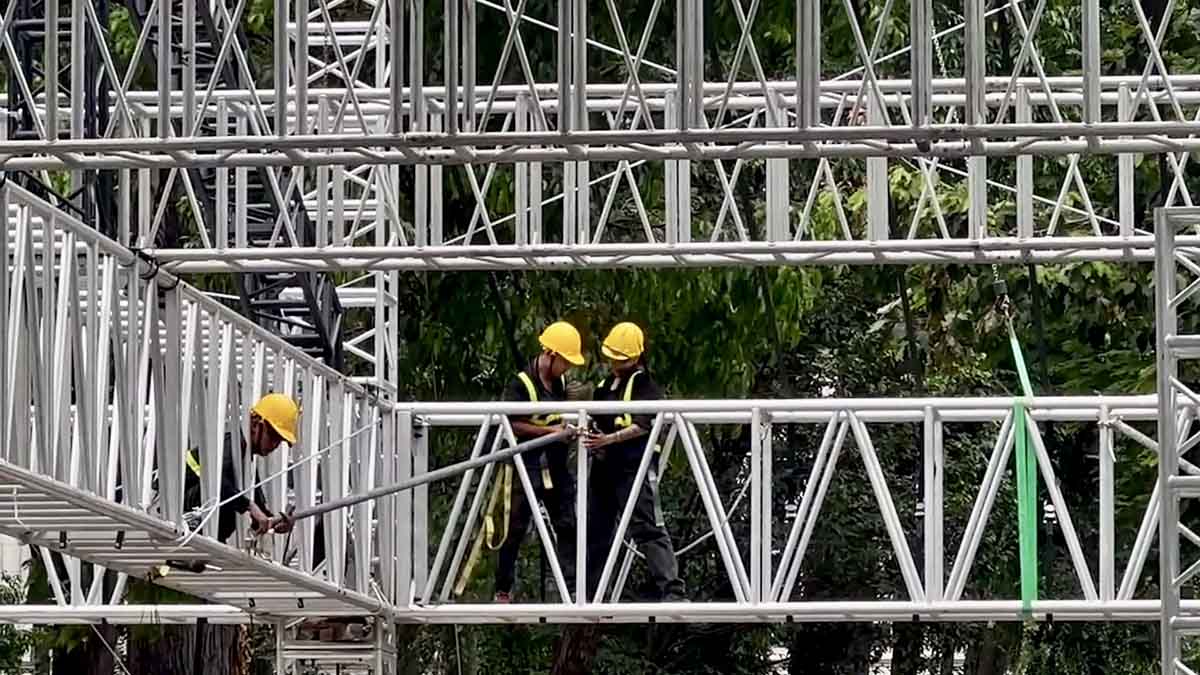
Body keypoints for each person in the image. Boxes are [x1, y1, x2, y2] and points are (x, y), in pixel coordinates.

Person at [584, 322, 686, 602]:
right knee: (597, 530)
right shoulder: (605, 387)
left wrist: (608, 440)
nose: (615, 363)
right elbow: (596, 420)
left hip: (635, 467)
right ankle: (589, 593)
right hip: (606, 468)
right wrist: (594, 438)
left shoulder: (644, 385)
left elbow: (645, 423)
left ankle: (671, 591)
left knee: (648, 528)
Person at [492, 321, 585, 603]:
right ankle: (503, 589)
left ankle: (574, 587)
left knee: (568, 523)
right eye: (565, 362)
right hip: (526, 464)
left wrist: (567, 430)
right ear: (551, 354)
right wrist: (550, 432)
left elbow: (560, 416)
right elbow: (513, 424)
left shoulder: (562, 383)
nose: (567, 369)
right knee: (516, 527)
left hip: (555, 466)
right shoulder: (521, 384)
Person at [183, 393, 299, 543]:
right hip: (182, 508)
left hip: (199, 519)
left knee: (235, 498)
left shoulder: (246, 463)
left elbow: (258, 509)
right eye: (273, 436)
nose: (275, 445)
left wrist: (275, 522)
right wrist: (249, 506)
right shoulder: (231, 445)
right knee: (226, 494)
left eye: (280, 441)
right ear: (256, 424)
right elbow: (216, 481)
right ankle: (196, 531)